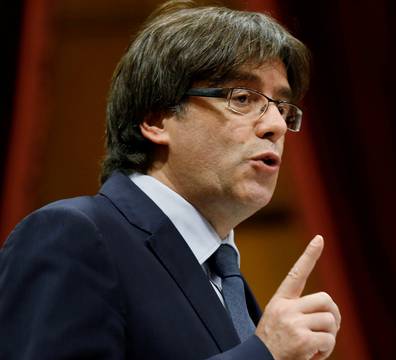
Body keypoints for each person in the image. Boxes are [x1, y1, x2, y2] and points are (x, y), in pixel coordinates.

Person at [0, 1, 340, 359]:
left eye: (282, 109)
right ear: (157, 119)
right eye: (242, 97)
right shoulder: (72, 236)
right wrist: (263, 353)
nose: (274, 126)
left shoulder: (228, 281)